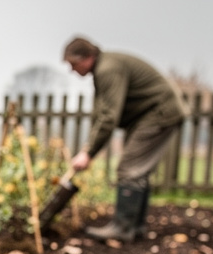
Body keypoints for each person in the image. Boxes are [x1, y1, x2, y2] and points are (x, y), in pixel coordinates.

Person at [64, 37, 186, 241]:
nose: (72, 70)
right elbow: (100, 114)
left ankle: (122, 228)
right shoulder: (104, 68)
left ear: (86, 58)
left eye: (73, 64)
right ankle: (135, 228)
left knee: (130, 168)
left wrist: (88, 153)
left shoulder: (108, 70)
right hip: (148, 115)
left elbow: (109, 116)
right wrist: (88, 149)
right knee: (137, 170)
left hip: (159, 113)